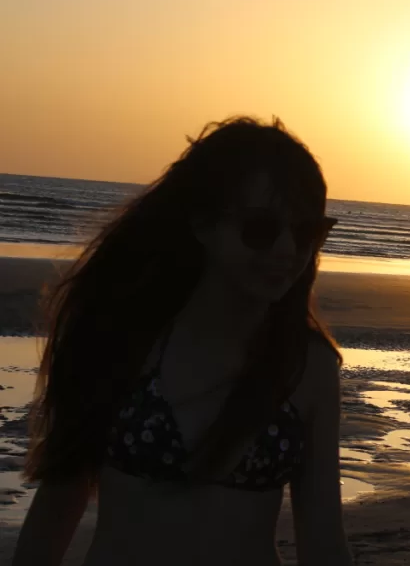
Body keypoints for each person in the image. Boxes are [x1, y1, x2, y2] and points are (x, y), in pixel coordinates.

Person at [13, 116, 355, 565]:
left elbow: (324, 540)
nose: (287, 250)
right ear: (203, 224)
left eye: (306, 231)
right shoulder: (123, 340)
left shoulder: (306, 365)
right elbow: (58, 507)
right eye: (261, 229)